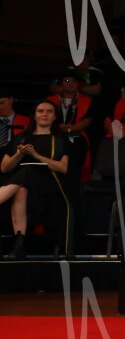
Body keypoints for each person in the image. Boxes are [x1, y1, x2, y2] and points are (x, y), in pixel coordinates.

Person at [0, 99, 73, 258]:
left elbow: (63, 167)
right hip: (24, 190)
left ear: (54, 117)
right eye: (40, 111)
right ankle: (19, 244)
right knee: (21, 190)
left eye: (49, 111)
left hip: (50, 187)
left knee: (28, 169)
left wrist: (36, 155)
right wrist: (20, 154)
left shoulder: (60, 139)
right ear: (34, 116)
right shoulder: (20, 138)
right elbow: (4, 167)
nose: (44, 114)